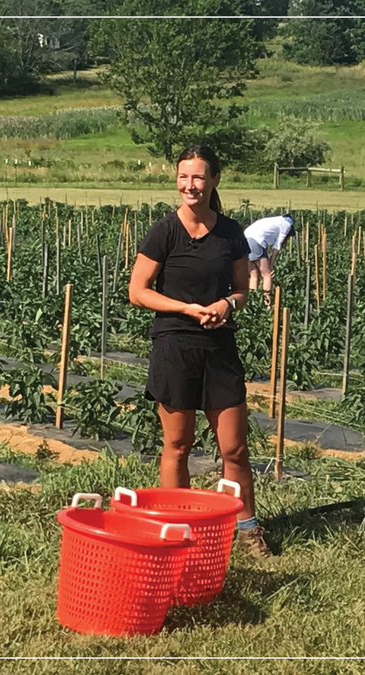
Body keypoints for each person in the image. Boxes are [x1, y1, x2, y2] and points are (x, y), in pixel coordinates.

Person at [128, 144, 271, 558]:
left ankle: (247, 530)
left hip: (219, 346)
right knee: (178, 444)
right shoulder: (164, 231)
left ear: (214, 182)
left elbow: (241, 290)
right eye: (183, 177)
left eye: (198, 177)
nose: (190, 185)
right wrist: (185, 308)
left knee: (234, 447)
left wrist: (227, 305)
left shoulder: (230, 233)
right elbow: (138, 292)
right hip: (174, 345)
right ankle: (178, 531)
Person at [243, 213, 296, 306]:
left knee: (253, 274)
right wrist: (271, 264)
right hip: (256, 241)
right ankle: (266, 303)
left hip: (244, 239)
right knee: (267, 274)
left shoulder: (276, 220)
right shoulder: (286, 225)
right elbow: (277, 246)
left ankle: (252, 303)